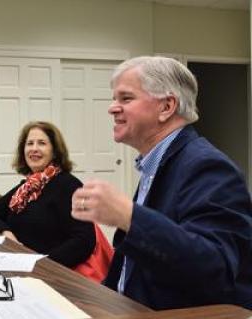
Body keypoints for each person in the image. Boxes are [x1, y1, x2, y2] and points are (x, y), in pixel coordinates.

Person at [71, 56, 252, 310]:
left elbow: (216, 269)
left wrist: (129, 216)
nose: (112, 108)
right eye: (115, 99)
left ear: (166, 107)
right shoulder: (155, 164)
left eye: (126, 98)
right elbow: (133, 268)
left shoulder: (207, 167)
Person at [0, 121, 95, 268]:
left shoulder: (69, 185)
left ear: (54, 151)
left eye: (41, 143)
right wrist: (6, 232)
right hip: (19, 266)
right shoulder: (26, 188)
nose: (34, 149)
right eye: (29, 143)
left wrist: (42, 264)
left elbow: (84, 240)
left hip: (49, 273)